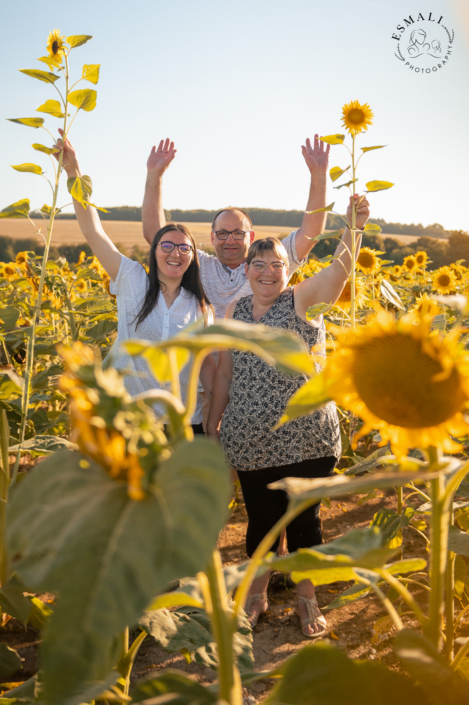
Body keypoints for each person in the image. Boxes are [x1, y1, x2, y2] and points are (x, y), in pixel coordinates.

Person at [207, 194, 370, 638]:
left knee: (303, 523)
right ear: (246, 271)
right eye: (257, 264)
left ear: (287, 269)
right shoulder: (235, 311)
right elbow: (225, 371)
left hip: (306, 438)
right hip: (251, 439)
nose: (266, 271)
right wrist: (212, 422)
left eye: (276, 263)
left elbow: (339, 272)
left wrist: (352, 228)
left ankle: (306, 598)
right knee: (260, 522)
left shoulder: (301, 298)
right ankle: (258, 594)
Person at [54, 131, 214, 433]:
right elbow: (93, 230)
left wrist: (213, 426)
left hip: (182, 427)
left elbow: (206, 372)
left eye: (184, 248)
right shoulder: (132, 280)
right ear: (153, 250)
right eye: (166, 245)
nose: (175, 253)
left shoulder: (201, 307)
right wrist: (72, 170)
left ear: (193, 257)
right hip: (128, 421)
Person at [142, 136, 331, 318]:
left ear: (251, 237)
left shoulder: (269, 265)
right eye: (222, 233)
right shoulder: (198, 265)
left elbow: (311, 233)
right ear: (212, 237)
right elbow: (156, 235)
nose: (230, 240)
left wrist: (319, 175)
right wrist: (154, 175)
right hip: (202, 352)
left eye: (238, 233)